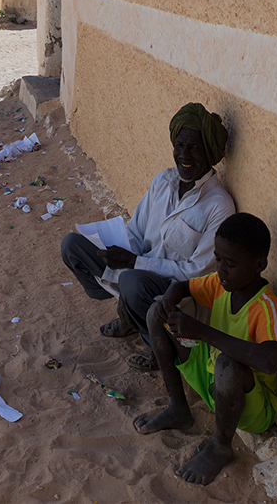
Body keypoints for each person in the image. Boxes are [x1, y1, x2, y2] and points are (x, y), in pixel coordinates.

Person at [61, 102, 235, 371]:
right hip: (136, 273)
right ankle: (130, 313)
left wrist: (135, 264)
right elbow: (136, 233)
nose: (184, 155)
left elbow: (197, 274)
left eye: (194, 148)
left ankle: (158, 345)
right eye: (179, 146)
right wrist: (112, 248)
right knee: (73, 246)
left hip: (177, 296)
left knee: (132, 281)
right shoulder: (162, 182)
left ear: (210, 153)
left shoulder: (219, 206)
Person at [134, 213, 277, 486]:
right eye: (218, 259)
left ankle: (220, 445)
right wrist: (169, 300)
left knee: (228, 365)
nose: (221, 269)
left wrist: (201, 331)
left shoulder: (268, 306)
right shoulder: (220, 284)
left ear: (259, 264)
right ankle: (178, 408)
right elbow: (181, 286)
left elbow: (269, 361)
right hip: (210, 376)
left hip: (248, 405)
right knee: (155, 312)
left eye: (230, 263)